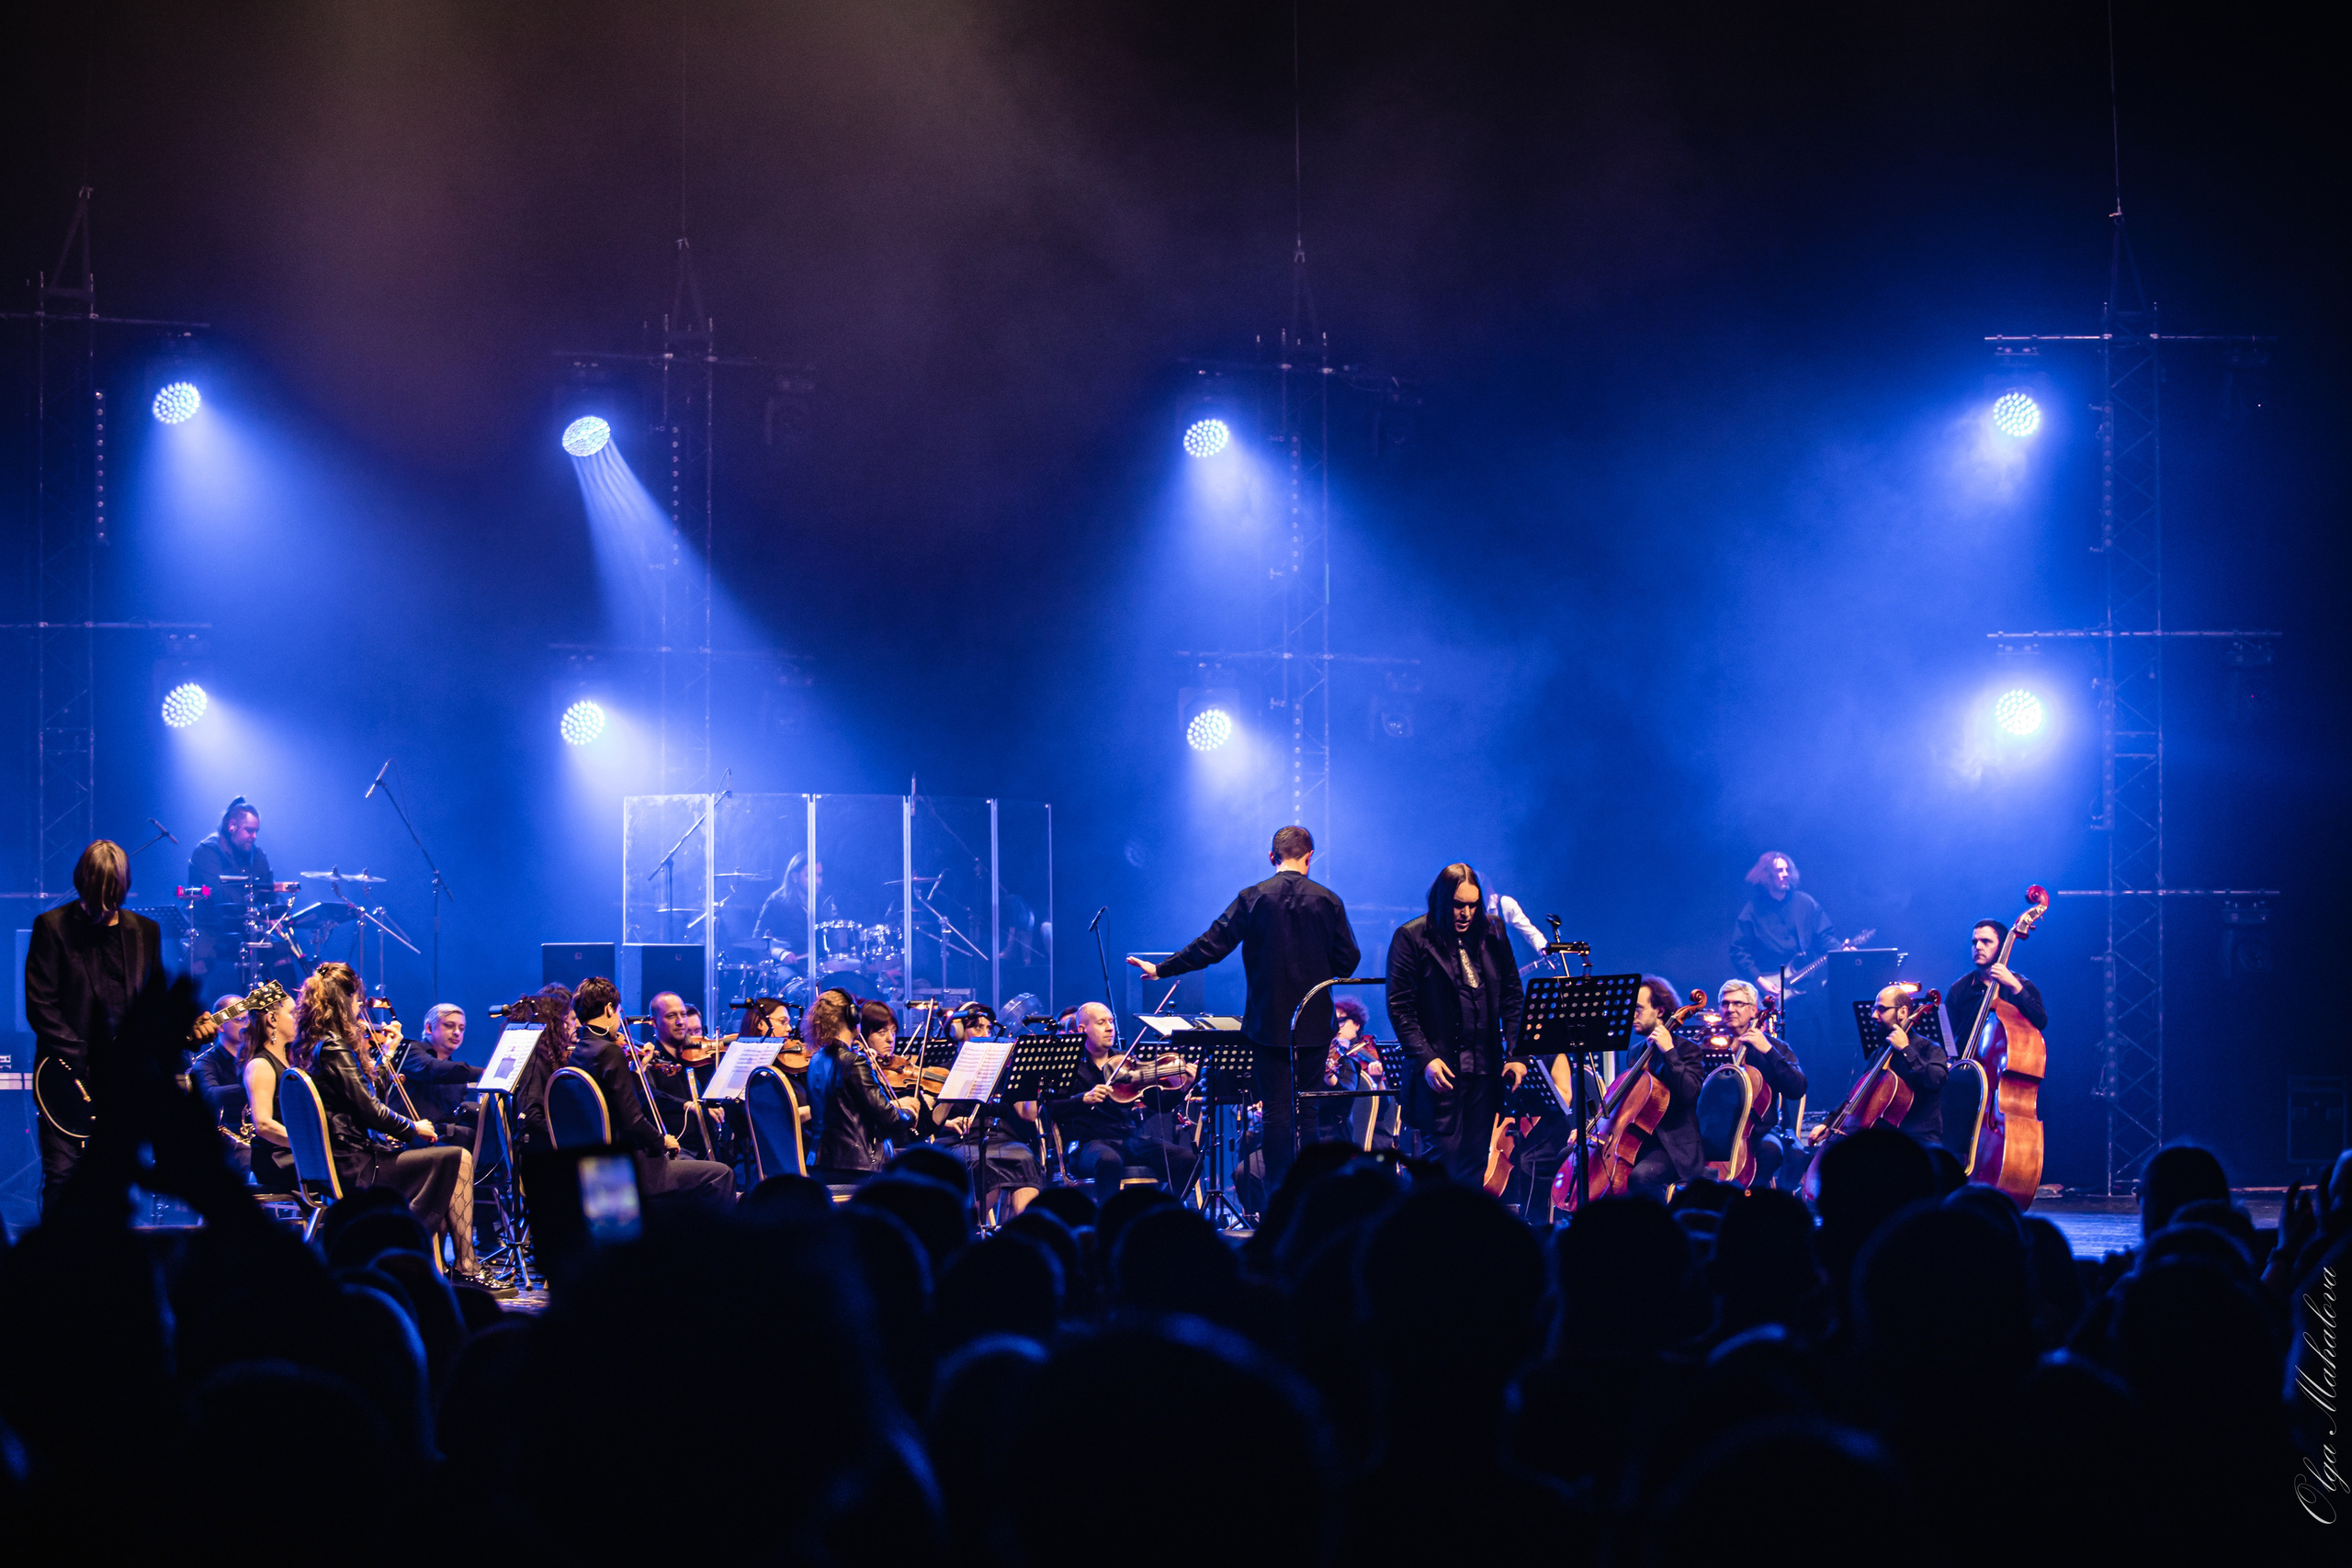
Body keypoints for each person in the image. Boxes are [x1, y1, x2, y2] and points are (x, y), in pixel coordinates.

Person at [1129, 825, 1360, 1190]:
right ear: (1309, 857)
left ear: (1272, 857)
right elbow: (1349, 961)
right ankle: (1313, 1200)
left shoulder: (1252, 898)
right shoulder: (1329, 900)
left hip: (1267, 1025)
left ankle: (1278, 1203)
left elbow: (1211, 945)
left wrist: (1162, 968)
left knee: (1277, 1114)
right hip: (1315, 1024)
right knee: (1310, 1112)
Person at [23, 839, 205, 1212]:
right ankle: (57, 1266)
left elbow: (152, 1010)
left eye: (111, 897)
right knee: (62, 1177)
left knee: (116, 1182)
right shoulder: (52, 927)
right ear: (82, 884)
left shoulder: (146, 931)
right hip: (65, 1076)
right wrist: (85, 1059)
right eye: (95, 897)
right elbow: (40, 1005)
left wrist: (185, 1033)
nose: (102, 908)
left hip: (124, 1083)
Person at [298, 962, 487, 1281]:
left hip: (348, 1159)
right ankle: (462, 1267)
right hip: (357, 1165)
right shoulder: (334, 1048)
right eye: (357, 1000)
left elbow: (370, 1095)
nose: (361, 1007)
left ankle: (444, 1267)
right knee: (459, 1159)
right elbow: (371, 1111)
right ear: (343, 1001)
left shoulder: (321, 1045)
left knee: (452, 1162)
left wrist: (388, 1051)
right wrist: (414, 1127)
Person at [1387, 863, 1527, 1187]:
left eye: (1472, 905)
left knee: (1475, 1161)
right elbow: (1400, 1008)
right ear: (1441, 901)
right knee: (1442, 1163)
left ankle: (1465, 1234)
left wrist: (1517, 1055)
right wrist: (1425, 1059)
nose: (1465, 913)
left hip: (1484, 1070)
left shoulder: (1493, 932)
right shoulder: (1412, 937)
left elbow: (1512, 996)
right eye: (1458, 905)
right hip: (1442, 1072)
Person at [569, 976, 737, 1208]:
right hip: (632, 1165)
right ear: (609, 1009)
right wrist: (662, 1141)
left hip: (598, 1162)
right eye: (617, 1012)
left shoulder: (579, 1051)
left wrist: (638, 1071)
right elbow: (633, 1120)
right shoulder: (609, 1051)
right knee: (721, 1174)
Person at [1045, 1001, 1198, 1203]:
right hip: (1088, 1144)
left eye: (1111, 1021)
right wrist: (1082, 1098)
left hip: (1128, 1140)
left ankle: (1162, 1212)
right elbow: (1049, 1108)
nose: (1110, 1027)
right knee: (1108, 1160)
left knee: (1190, 1161)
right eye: (1101, 1023)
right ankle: (1110, 1222)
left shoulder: (1126, 1060)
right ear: (1082, 1029)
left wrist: (1184, 1086)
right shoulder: (1068, 1064)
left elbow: (1158, 1103)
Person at [929, 1002, 1046, 1214]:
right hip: (960, 1142)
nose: (986, 1033)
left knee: (1025, 1157)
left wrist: (1031, 1081)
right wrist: (951, 1113)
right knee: (985, 1163)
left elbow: (1027, 1115)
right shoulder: (942, 1071)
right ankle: (972, 1229)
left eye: (988, 1028)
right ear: (959, 1032)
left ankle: (1024, 1233)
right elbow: (932, 1122)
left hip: (1001, 1138)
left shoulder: (1002, 1071)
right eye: (978, 1027)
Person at [802, 991, 915, 1186]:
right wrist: (910, 1114)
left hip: (819, 1164)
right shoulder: (854, 1062)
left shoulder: (816, 1059)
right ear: (853, 1016)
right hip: (859, 1168)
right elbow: (890, 1117)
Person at [1712, 979, 1807, 1187]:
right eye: (1725, 1004)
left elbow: (1797, 1088)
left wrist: (1768, 1051)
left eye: (1738, 1004)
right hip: (1718, 1130)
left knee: (1779, 1152)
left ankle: (1765, 1202)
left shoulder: (1774, 1047)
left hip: (1762, 1129)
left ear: (1754, 1010)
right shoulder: (1710, 1047)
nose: (1730, 1009)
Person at [185, 797, 276, 980]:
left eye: (256, 831)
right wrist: (256, 903)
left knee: (281, 949)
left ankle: (286, 1005)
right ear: (232, 826)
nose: (254, 837)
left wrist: (275, 914)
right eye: (249, 831)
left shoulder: (257, 855)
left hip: (246, 927)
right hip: (210, 928)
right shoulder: (206, 852)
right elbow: (224, 898)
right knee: (200, 958)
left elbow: (270, 893)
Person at [1728, 852, 1839, 987]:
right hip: (1769, 987)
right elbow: (1739, 950)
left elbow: (1823, 937)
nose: (1786, 874)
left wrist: (1840, 950)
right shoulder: (1752, 910)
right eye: (1779, 870)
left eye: (1787, 870)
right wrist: (1759, 980)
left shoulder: (1805, 903)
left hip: (1805, 984)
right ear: (1766, 875)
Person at [1945, 917, 2049, 1052]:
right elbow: (1946, 1040)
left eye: (1986, 941)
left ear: (2001, 946)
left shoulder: (2022, 984)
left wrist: (2015, 987)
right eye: (1974, 942)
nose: (1978, 947)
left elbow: (2040, 1021)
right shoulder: (1958, 989)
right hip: (1965, 1065)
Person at [1869, 983, 1950, 1147]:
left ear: (1903, 1012)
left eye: (1882, 1009)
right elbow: (1855, 1096)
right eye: (1874, 1009)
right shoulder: (1879, 1054)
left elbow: (1935, 1080)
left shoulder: (1930, 1049)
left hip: (1920, 1140)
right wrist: (1828, 1123)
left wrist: (1906, 1049)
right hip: (1885, 1139)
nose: (1874, 1016)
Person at [241, 986, 301, 1192]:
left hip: (292, 1154)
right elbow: (264, 1125)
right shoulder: (261, 1065)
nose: (298, 1018)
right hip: (278, 1160)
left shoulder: (287, 1062)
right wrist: (312, 1146)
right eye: (292, 1013)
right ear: (272, 1019)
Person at [396, 1003, 482, 1141]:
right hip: (403, 1143)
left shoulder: (458, 1077)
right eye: (449, 1025)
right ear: (429, 1028)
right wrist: (485, 1074)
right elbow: (433, 1069)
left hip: (436, 1146)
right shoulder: (410, 1050)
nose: (457, 1032)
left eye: (462, 1028)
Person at [1324, 996, 1400, 1150]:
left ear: (1357, 1024)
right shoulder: (1333, 1056)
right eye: (1333, 1021)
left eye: (1341, 1021)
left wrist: (1377, 1081)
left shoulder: (1367, 1053)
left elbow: (1385, 1107)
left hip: (1370, 1134)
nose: (1336, 1027)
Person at [187, 992, 252, 1128]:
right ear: (220, 1025)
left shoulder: (255, 1057)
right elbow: (210, 1095)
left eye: (249, 1019)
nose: (247, 1025)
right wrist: (254, 1087)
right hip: (230, 1141)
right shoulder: (206, 1063)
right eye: (240, 1020)